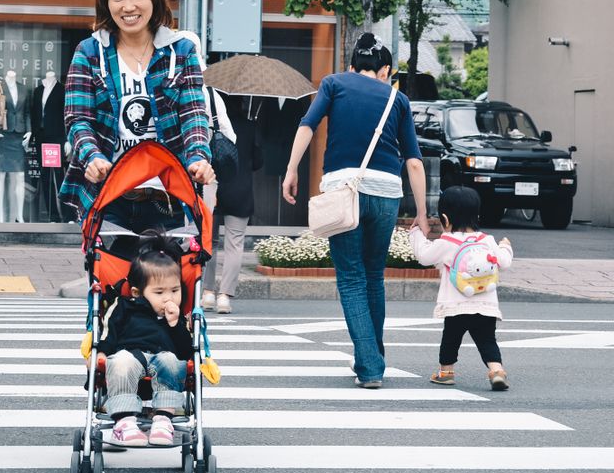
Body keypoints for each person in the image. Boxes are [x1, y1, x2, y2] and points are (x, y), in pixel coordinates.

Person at [282, 33, 429, 389]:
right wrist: (422, 214)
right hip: (387, 195)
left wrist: (291, 170)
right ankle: (373, 354)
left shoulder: (334, 83)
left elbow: (307, 124)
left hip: (344, 191)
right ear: (385, 71)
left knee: (350, 277)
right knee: (374, 275)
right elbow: (413, 162)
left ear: (351, 66)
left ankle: (369, 366)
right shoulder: (398, 97)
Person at [60, 0, 214, 231]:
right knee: (109, 273)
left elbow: (193, 114)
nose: (128, 7)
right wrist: (92, 156)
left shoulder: (181, 51)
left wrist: (198, 157)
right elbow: (78, 119)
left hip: (166, 193)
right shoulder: (89, 52)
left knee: (166, 274)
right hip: (109, 192)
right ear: (106, 3)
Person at [409, 186, 513, 391]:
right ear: (477, 215)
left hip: (456, 306)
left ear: (445, 219)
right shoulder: (487, 241)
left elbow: (424, 256)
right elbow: (504, 262)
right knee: (487, 341)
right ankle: (497, 370)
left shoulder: (447, 242)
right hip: (486, 305)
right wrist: (505, 246)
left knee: (450, 340)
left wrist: (416, 234)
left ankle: (446, 372)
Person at [96, 232, 191, 446]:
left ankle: (163, 419)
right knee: (121, 361)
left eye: (175, 290)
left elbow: (186, 351)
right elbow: (108, 333)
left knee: (172, 361)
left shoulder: (177, 318)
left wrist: (176, 325)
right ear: (138, 293)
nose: (169, 297)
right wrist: (100, 352)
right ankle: (124, 422)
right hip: (130, 357)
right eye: (159, 292)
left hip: (162, 361)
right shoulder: (124, 306)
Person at [202, 94, 261, 315]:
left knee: (209, 240)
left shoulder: (207, 123)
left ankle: (207, 293)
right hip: (240, 191)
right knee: (234, 244)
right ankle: (225, 297)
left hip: (213, 187)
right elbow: (258, 161)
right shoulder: (249, 126)